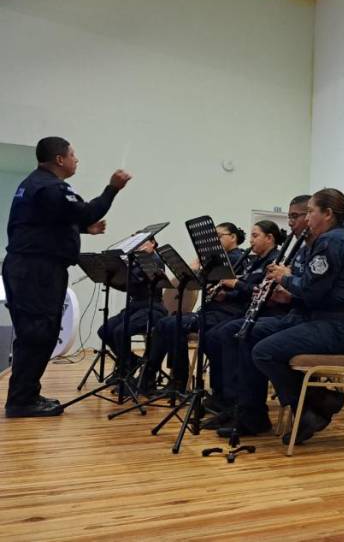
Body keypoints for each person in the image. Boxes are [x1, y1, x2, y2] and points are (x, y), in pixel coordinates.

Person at [3, 137, 131, 418]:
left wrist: (84, 230)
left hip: (29, 267)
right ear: (60, 159)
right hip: (37, 270)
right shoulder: (51, 186)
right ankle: (21, 401)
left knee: (35, 334)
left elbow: (46, 223)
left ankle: (26, 395)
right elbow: (87, 211)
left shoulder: (35, 183)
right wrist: (113, 188)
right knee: (38, 334)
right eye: (73, 155)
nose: (77, 160)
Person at [252, 188, 344, 445]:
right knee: (261, 338)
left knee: (264, 351)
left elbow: (311, 289)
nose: (306, 219)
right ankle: (315, 404)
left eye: (310, 212)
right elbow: (316, 290)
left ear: (327, 214)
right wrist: (289, 288)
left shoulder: (332, 241)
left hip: (342, 326)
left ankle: (315, 404)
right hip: (332, 321)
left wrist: (285, 277)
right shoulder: (333, 239)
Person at [207, 195, 312, 436]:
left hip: (311, 320)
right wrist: (283, 290)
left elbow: (316, 292)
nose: (292, 223)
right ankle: (237, 406)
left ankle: (308, 402)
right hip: (293, 314)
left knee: (244, 335)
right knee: (232, 333)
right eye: (290, 217)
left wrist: (286, 283)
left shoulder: (325, 246)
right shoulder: (303, 250)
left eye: (296, 216)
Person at [144, 220, 285, 393]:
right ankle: (158, 377)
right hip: (222, 309)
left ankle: (182, 382)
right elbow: (241, 289)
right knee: (168, 323)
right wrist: (225, 292)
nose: (251, 241)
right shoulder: (249, 261)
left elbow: (252, 290)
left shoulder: (237, 259)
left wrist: (232, 286)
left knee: (184, 327)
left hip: (232, 313)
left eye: (218, 237)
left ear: (233, 237)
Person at [96, 238, 168, 384]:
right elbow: (126, 286)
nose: (138, 246)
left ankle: (125, 368)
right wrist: (112, 278)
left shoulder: (154, 260)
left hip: (152, 307)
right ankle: (131, 360)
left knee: (121, 331)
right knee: (105, 330)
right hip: (134, 307)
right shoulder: (135, 261)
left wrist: (123, 271)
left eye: (142, 242)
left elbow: (137, 280)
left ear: (153, 243)